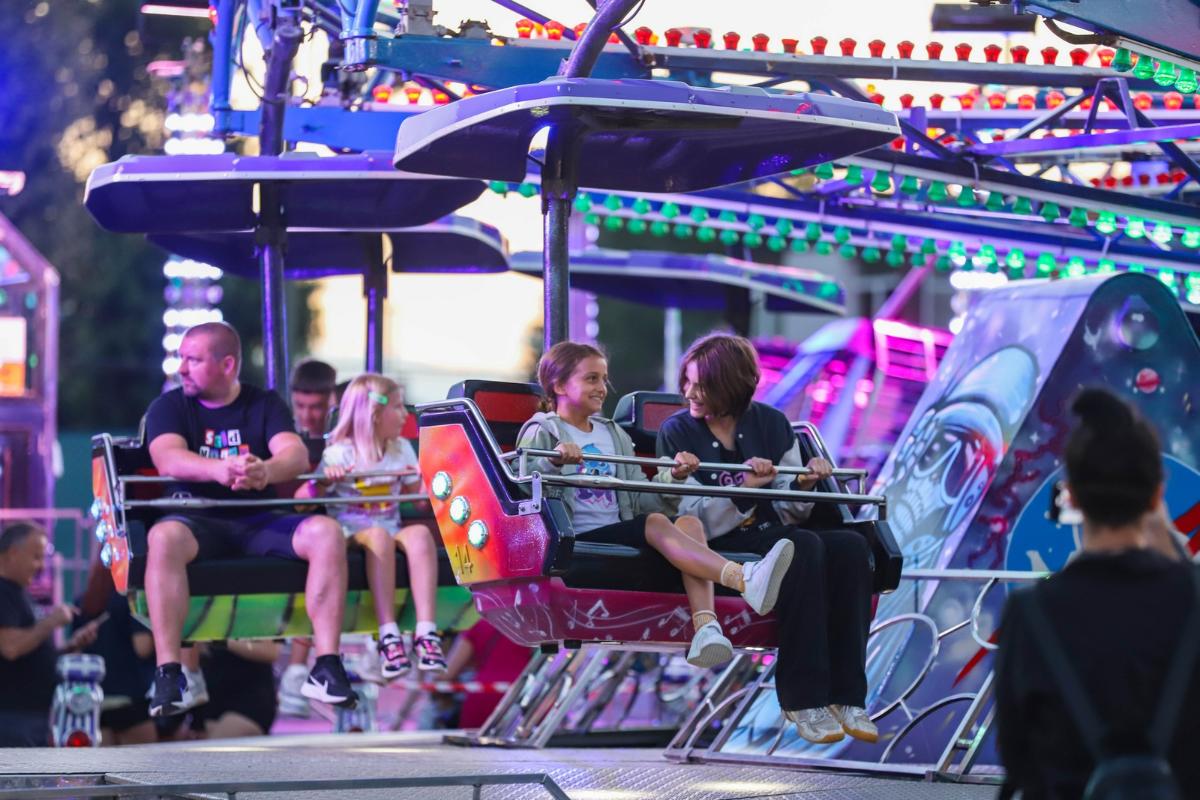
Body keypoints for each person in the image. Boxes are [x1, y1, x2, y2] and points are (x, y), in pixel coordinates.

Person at [657, 333, 877, 744]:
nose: (688, 393)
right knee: (802, 548)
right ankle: (803, 699)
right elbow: (691, 518)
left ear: (730, 386)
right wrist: (746, 489)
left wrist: (805, 483)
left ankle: (848, 697)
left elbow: (793, 511)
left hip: (772, 531)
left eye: (700, 385)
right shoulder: (677, 433)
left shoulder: (774, 425)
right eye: (686, 382)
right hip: (718, 545)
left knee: (851, 547)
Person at [518, 341, 794, 669]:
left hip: (620, 533)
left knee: (689, 523)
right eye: (591, 379)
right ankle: (742, 578)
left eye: (604, 379)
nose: (602, 388)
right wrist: (554, 462)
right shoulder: (543, 431)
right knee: (655, 524)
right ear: (560, 386)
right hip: (576, 540)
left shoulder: (615, 436)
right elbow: (524, 487)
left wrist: (673, 477)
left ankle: (706, 629)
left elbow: (640, 500)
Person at [141, 321, 355, 717]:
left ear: (227, 364)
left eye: (193, 360)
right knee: (163, 537)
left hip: (259, 520)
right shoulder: (169, 407)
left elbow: (293, 454)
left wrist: (265, 471)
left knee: (326, 532)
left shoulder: (265, 403)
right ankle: (170, 672)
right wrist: (219, 469)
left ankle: (326, 666)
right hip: (196, 520)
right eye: (182, 358)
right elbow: (167, 458)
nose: (182, 368)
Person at [994, 389, 1200, 798]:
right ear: (1157, 497)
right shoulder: (1191, 601)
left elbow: (1016, 754)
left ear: (1071, 496)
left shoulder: (1032, 613)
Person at [300, 373, 447, 676]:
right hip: (351, 531)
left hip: (390, 527)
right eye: (398, 407)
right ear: (375, 414)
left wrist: (430, 478)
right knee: (379, 537)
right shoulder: (339, 453)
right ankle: (388, 634)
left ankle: (426, 631)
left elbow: (419, 501)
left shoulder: (400, 450)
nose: (405, 415)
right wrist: (323, 481)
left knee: (420, 534)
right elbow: (302, 499)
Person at [0, 522, 101, 746]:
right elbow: (10, 648)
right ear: (13, 553)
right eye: (36, 557)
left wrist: (70, 647)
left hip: (32, 719)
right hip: (12, 721)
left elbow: (29, 651)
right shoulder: (3, 591)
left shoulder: (19, 592)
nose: (41, 566)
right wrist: (51, 622)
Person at [278, 358, 338, 716]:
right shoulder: (286, 440)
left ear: (332, 401)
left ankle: (300, 667)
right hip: (300, 526)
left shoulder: (343, 439)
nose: (307, 415)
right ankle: (297, 668)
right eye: (300, 406)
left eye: (316, 407)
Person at [440, 618, 534, 729]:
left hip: (481, 694)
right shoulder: (530, 622)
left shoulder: (474, 624)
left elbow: (447, 674)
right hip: (520, 693)